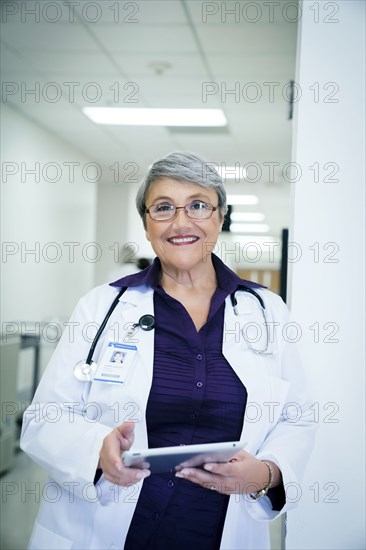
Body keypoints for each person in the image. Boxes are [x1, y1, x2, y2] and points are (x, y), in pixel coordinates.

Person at [21, 152, 315, 550]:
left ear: (220, 216)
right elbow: (46, 418)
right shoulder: (102, 306)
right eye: (163, 208)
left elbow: (296, 419)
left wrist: (265, 474)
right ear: (145, 224)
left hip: (214, 529)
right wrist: (96, 449)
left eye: (198, 205)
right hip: (108, 526)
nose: (181, 222)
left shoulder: (268, 311)